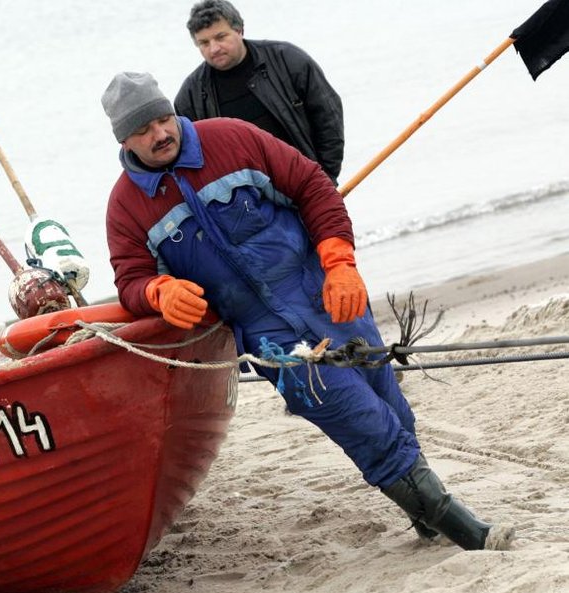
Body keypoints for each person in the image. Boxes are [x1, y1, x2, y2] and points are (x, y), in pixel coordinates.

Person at [100, 71, 514, 551]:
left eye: (163, 118)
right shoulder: (125, 207)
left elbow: (312, 187)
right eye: (145, 129)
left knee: (391, 408)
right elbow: (129, 278)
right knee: (361, 421)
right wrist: (157, 292)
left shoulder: (232, 138)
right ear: (124, 139)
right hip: (270, 337)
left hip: (326, 295)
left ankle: (423, 514)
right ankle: (467, 531)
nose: (161, 133)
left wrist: (339, 261)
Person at [174, 0, 344, 182]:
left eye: (220, 37)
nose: (214, 48)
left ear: (239, 30)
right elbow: (193, 161)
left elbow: (328, 120)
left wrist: (325, 179)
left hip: (306, 182)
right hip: (245, 201)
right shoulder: (189, 97)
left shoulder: (289, 61)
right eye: (204, 43)